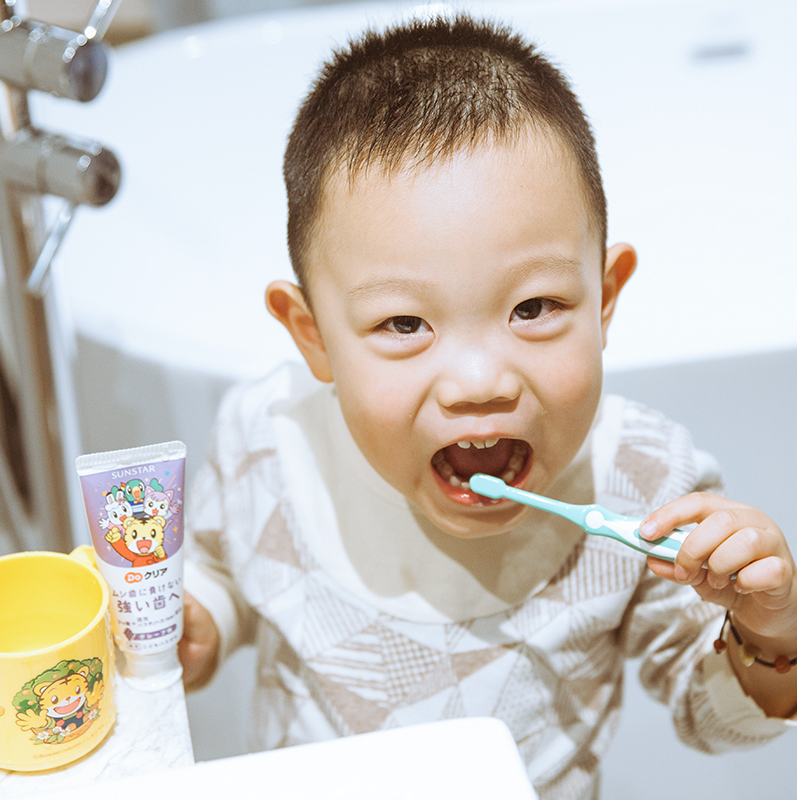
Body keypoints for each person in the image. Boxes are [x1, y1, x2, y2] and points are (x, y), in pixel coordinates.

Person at [178, 14, 797, 798]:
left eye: (534, 308)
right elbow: (225, 569)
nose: (479, 381)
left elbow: (712, 719)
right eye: (404, 324)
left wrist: (772, 634)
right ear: (314, 336)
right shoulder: (271, 436)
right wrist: (199, 623)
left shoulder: (640, 486)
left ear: (604, 298)